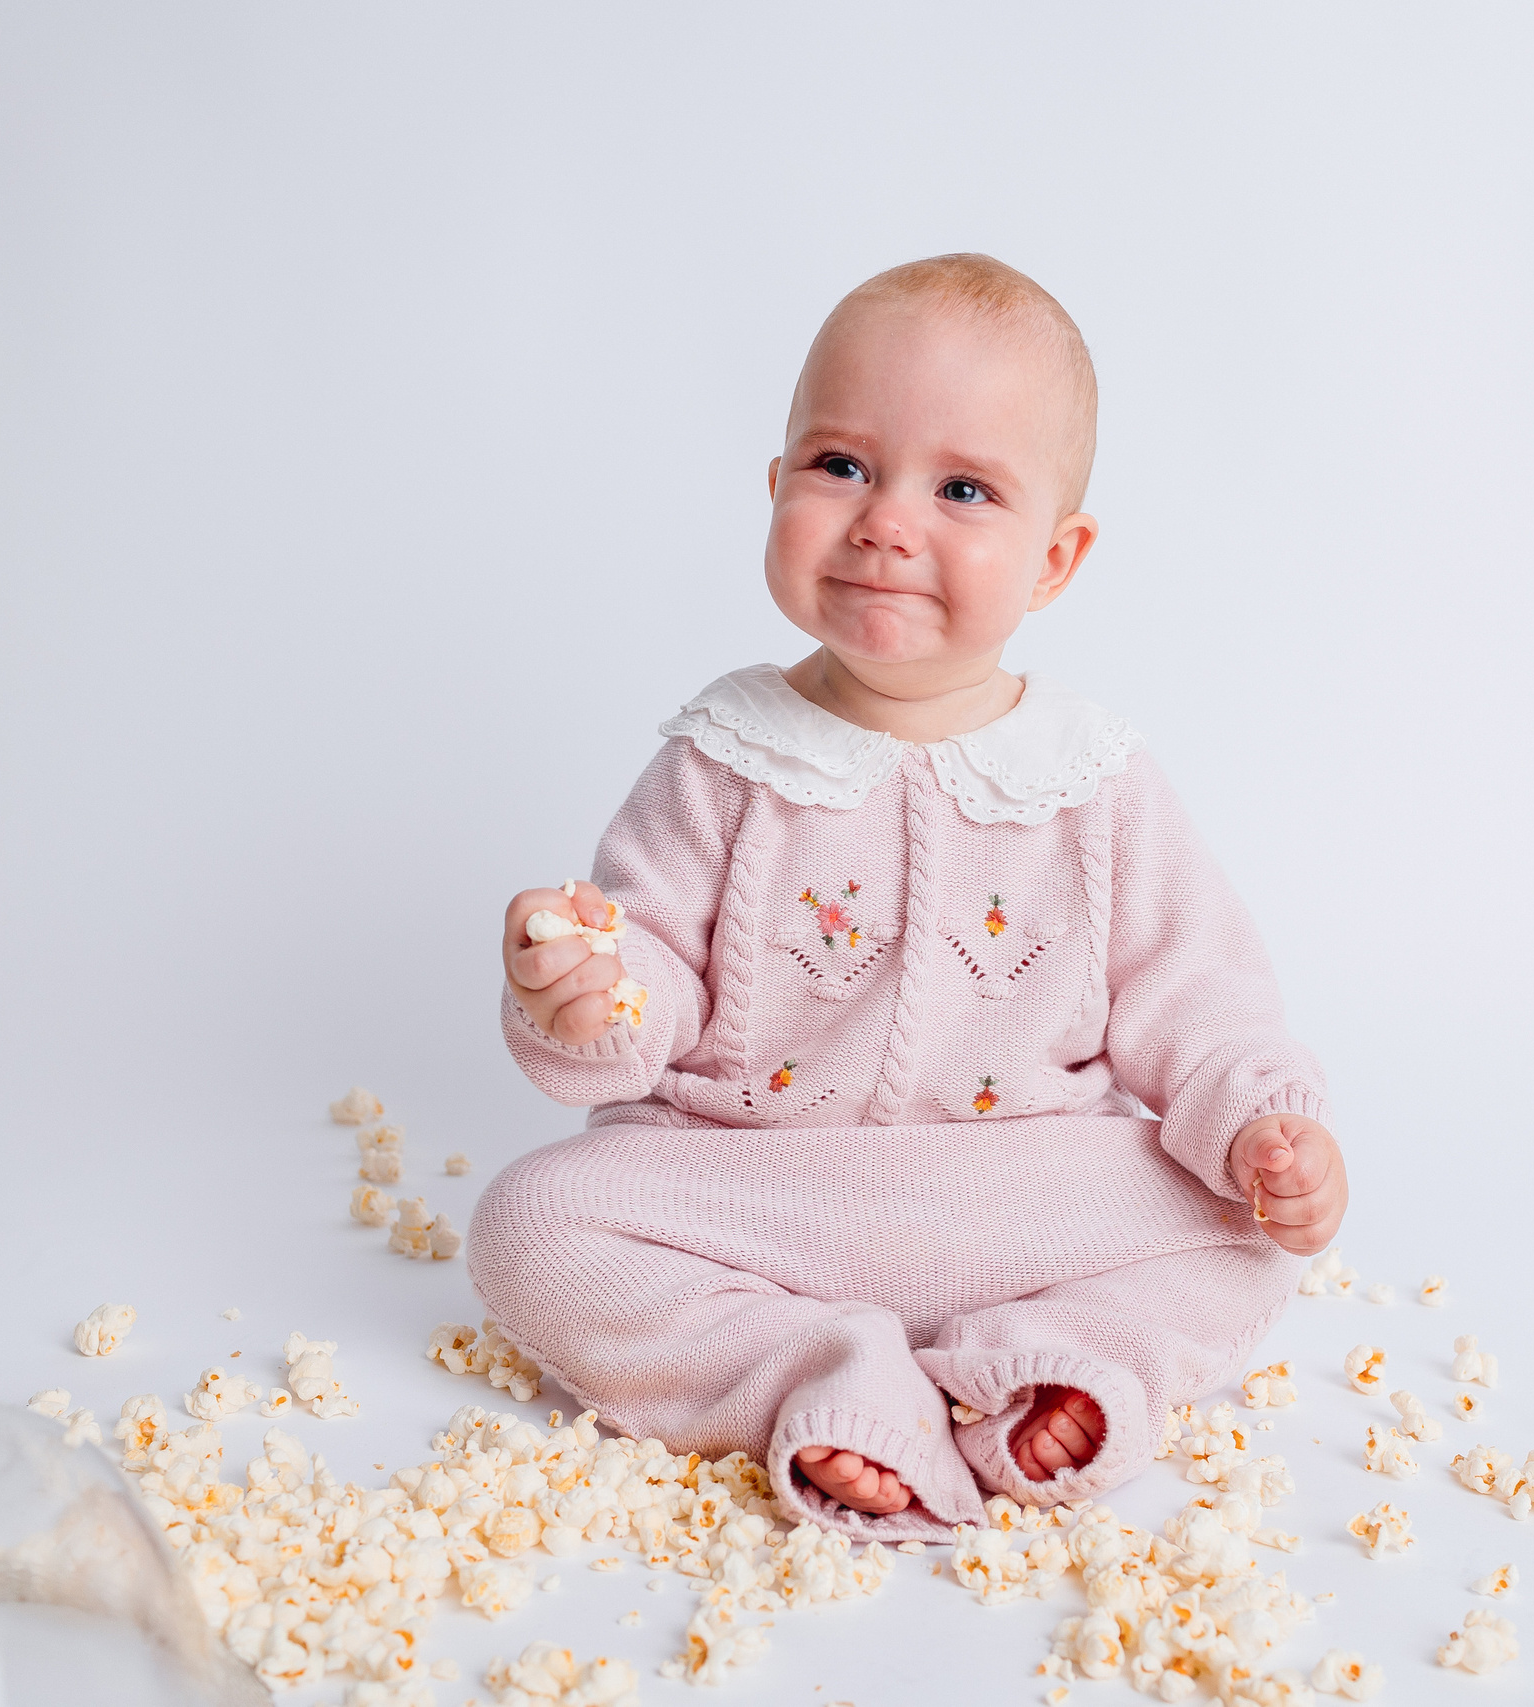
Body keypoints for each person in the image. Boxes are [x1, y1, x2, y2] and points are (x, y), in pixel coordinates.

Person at [468, 253, 1346, 1538]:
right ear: (774, 487)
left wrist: (1264, 1131)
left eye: (964, 489)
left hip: (1022, 1196)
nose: (886, 520)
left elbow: (1196, 994)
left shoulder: (1093, 782)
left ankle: (1050, 1359)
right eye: (841, 468)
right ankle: (819, 1372)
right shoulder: (721, 758)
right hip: (751, 1194)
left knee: (1250, 1235)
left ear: (1055, 558)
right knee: (529, 1225)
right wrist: (588, 995)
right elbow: (644, 970)